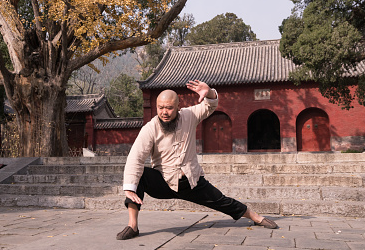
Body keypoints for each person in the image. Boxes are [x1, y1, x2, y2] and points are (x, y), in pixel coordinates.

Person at [116, 80, 278, 240]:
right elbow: (135, 157)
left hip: (191, 181)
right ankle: (133, 226)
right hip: (164, 181)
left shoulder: (189, 115)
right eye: (161, 108)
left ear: (178, 107)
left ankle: (256, 217)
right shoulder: (150, 128)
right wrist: (130, 187)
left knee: (221, 200)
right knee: (139, 176)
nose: (164, 112)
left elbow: (209, 106)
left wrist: (209, 93)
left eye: (169, 108)